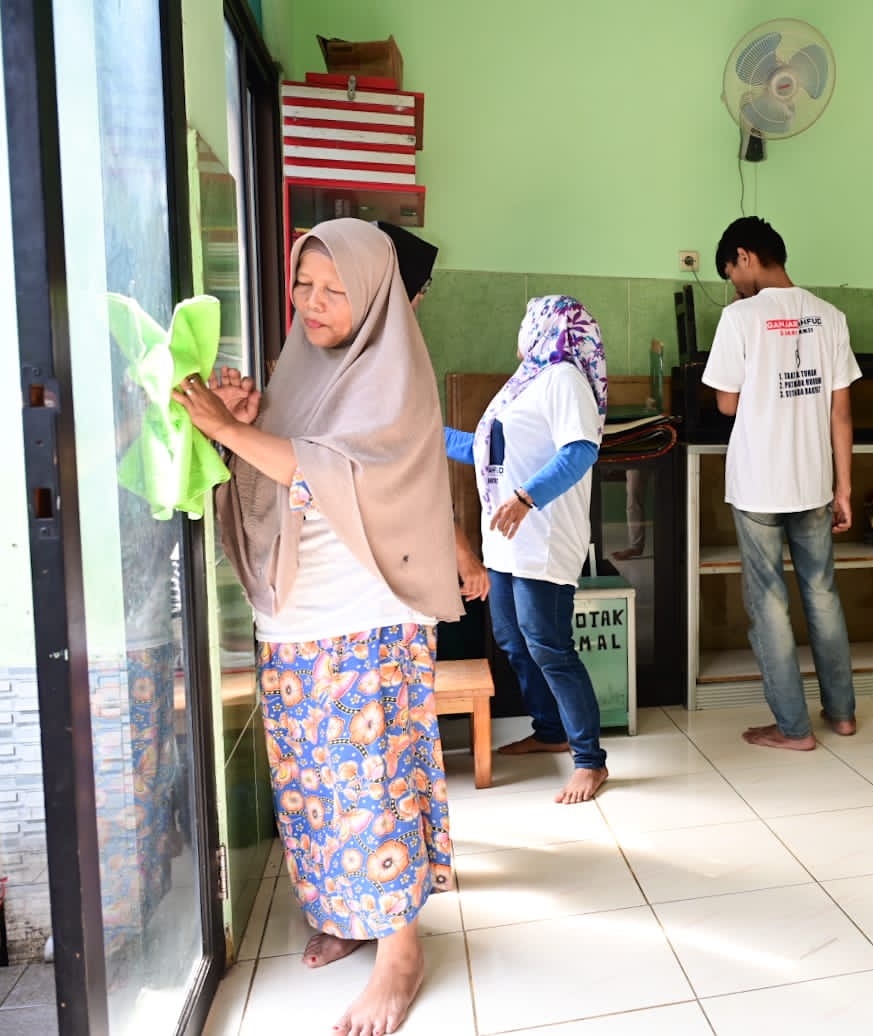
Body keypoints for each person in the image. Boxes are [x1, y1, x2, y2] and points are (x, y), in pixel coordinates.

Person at [174, 218, 463, 1036]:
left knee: (371, 784)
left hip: (367, 619)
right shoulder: (297, 371)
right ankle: (343, 911)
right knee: (309, 785)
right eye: (304, 285)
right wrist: (244, 421)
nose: (315, 303)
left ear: (375, 293)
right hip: (293, 620)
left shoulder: (391, 374)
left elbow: (337, 475)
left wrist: (235, 432)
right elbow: (275, 472)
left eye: (336, 290)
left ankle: (400, 951)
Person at [702, 216, 861, 751]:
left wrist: (764, 392)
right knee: (822, 595)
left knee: (769, 602)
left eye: (731, 271)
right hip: (814, 483)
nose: (734, 283)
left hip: (757, 486)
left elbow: (725, 402)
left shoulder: (740, 317)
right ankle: (842, 714)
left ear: (746, 256)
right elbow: (841, 411)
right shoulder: (830, 317)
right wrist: (844, 487)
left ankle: (793, 728)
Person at [444, 295, 610, 804]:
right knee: (514, 641)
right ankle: (549, 729)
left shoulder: (563, 377)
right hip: (506, 541)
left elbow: (581, 450)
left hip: (541, 537)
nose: (520, 329)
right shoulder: (523, 385)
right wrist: (421, 434)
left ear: (547, 327)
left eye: (526, 320)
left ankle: (590, 761)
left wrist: (525, 497)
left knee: (549, 646)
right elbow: (484, 450)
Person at [376, 220, 489, 603]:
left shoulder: (365, 348)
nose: (422, 299)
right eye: (421, 288)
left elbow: (415, 435)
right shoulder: (393, 354)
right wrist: (462, 553)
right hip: (395, 553)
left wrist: (478, 447)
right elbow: (415, 463)